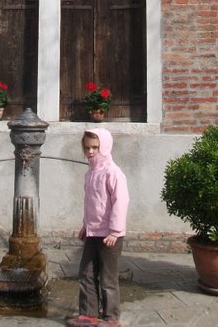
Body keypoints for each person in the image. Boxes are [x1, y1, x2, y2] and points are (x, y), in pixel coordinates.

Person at [66, 128, 130, 327]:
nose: (91, 151)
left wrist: (114, 231)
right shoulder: (91, 173)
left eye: (95, 147)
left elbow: (121, 202)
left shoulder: (113, 172)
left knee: (108, 277)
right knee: (86, 272)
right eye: (87, 148)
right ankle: (88, 314)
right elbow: (91, 204)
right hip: (93, 232)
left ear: (105, 146)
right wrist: (86, 226)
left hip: (110, 235)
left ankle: (111, 317)